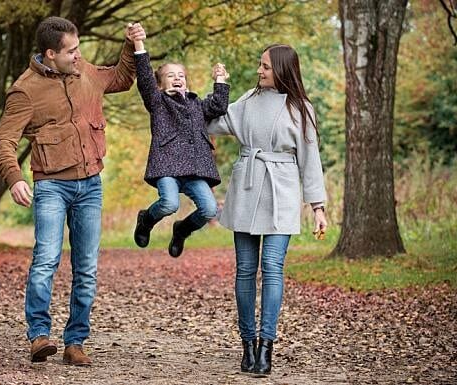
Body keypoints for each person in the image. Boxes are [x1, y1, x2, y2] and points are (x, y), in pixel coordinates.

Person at [0, 17, 145, 366]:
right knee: (46, 260)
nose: (78, 55)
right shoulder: (25, 90)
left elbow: (120, 79)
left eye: (78, 49)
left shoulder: (83, 71)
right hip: (51, 186)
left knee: (87, 267)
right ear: (50, 53)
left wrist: (129, 44)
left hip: (91, 184)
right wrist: (15, 177)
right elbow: (4, 140)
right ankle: (39, 336)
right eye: (71, 50)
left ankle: (75, 342)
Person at [207, 44, 328, 376]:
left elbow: (310, 160)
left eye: (265, 67)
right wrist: (209, 91)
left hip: (282, 191)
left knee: (272, 268)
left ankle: (266, 347)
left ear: (281, 71)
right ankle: (246, 343)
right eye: (260, 66)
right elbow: (213, 121)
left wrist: (317, 207)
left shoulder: (301, 108)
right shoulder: (248, 100)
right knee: (245, 270)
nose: (259, 71)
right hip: (247, 186)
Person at [131, 33, 230, 257]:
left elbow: (218, 106)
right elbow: (145, 78)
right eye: (170, 76)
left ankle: (182, 230)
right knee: (169, 204)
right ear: (159, 83)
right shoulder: (157, 101)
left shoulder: (196, 104)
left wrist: (220, 79)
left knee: (210, 209)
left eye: (181, 75)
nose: (177, 79)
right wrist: (139, 43)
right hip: (167, 165)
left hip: (195, 168)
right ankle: (146, 219)